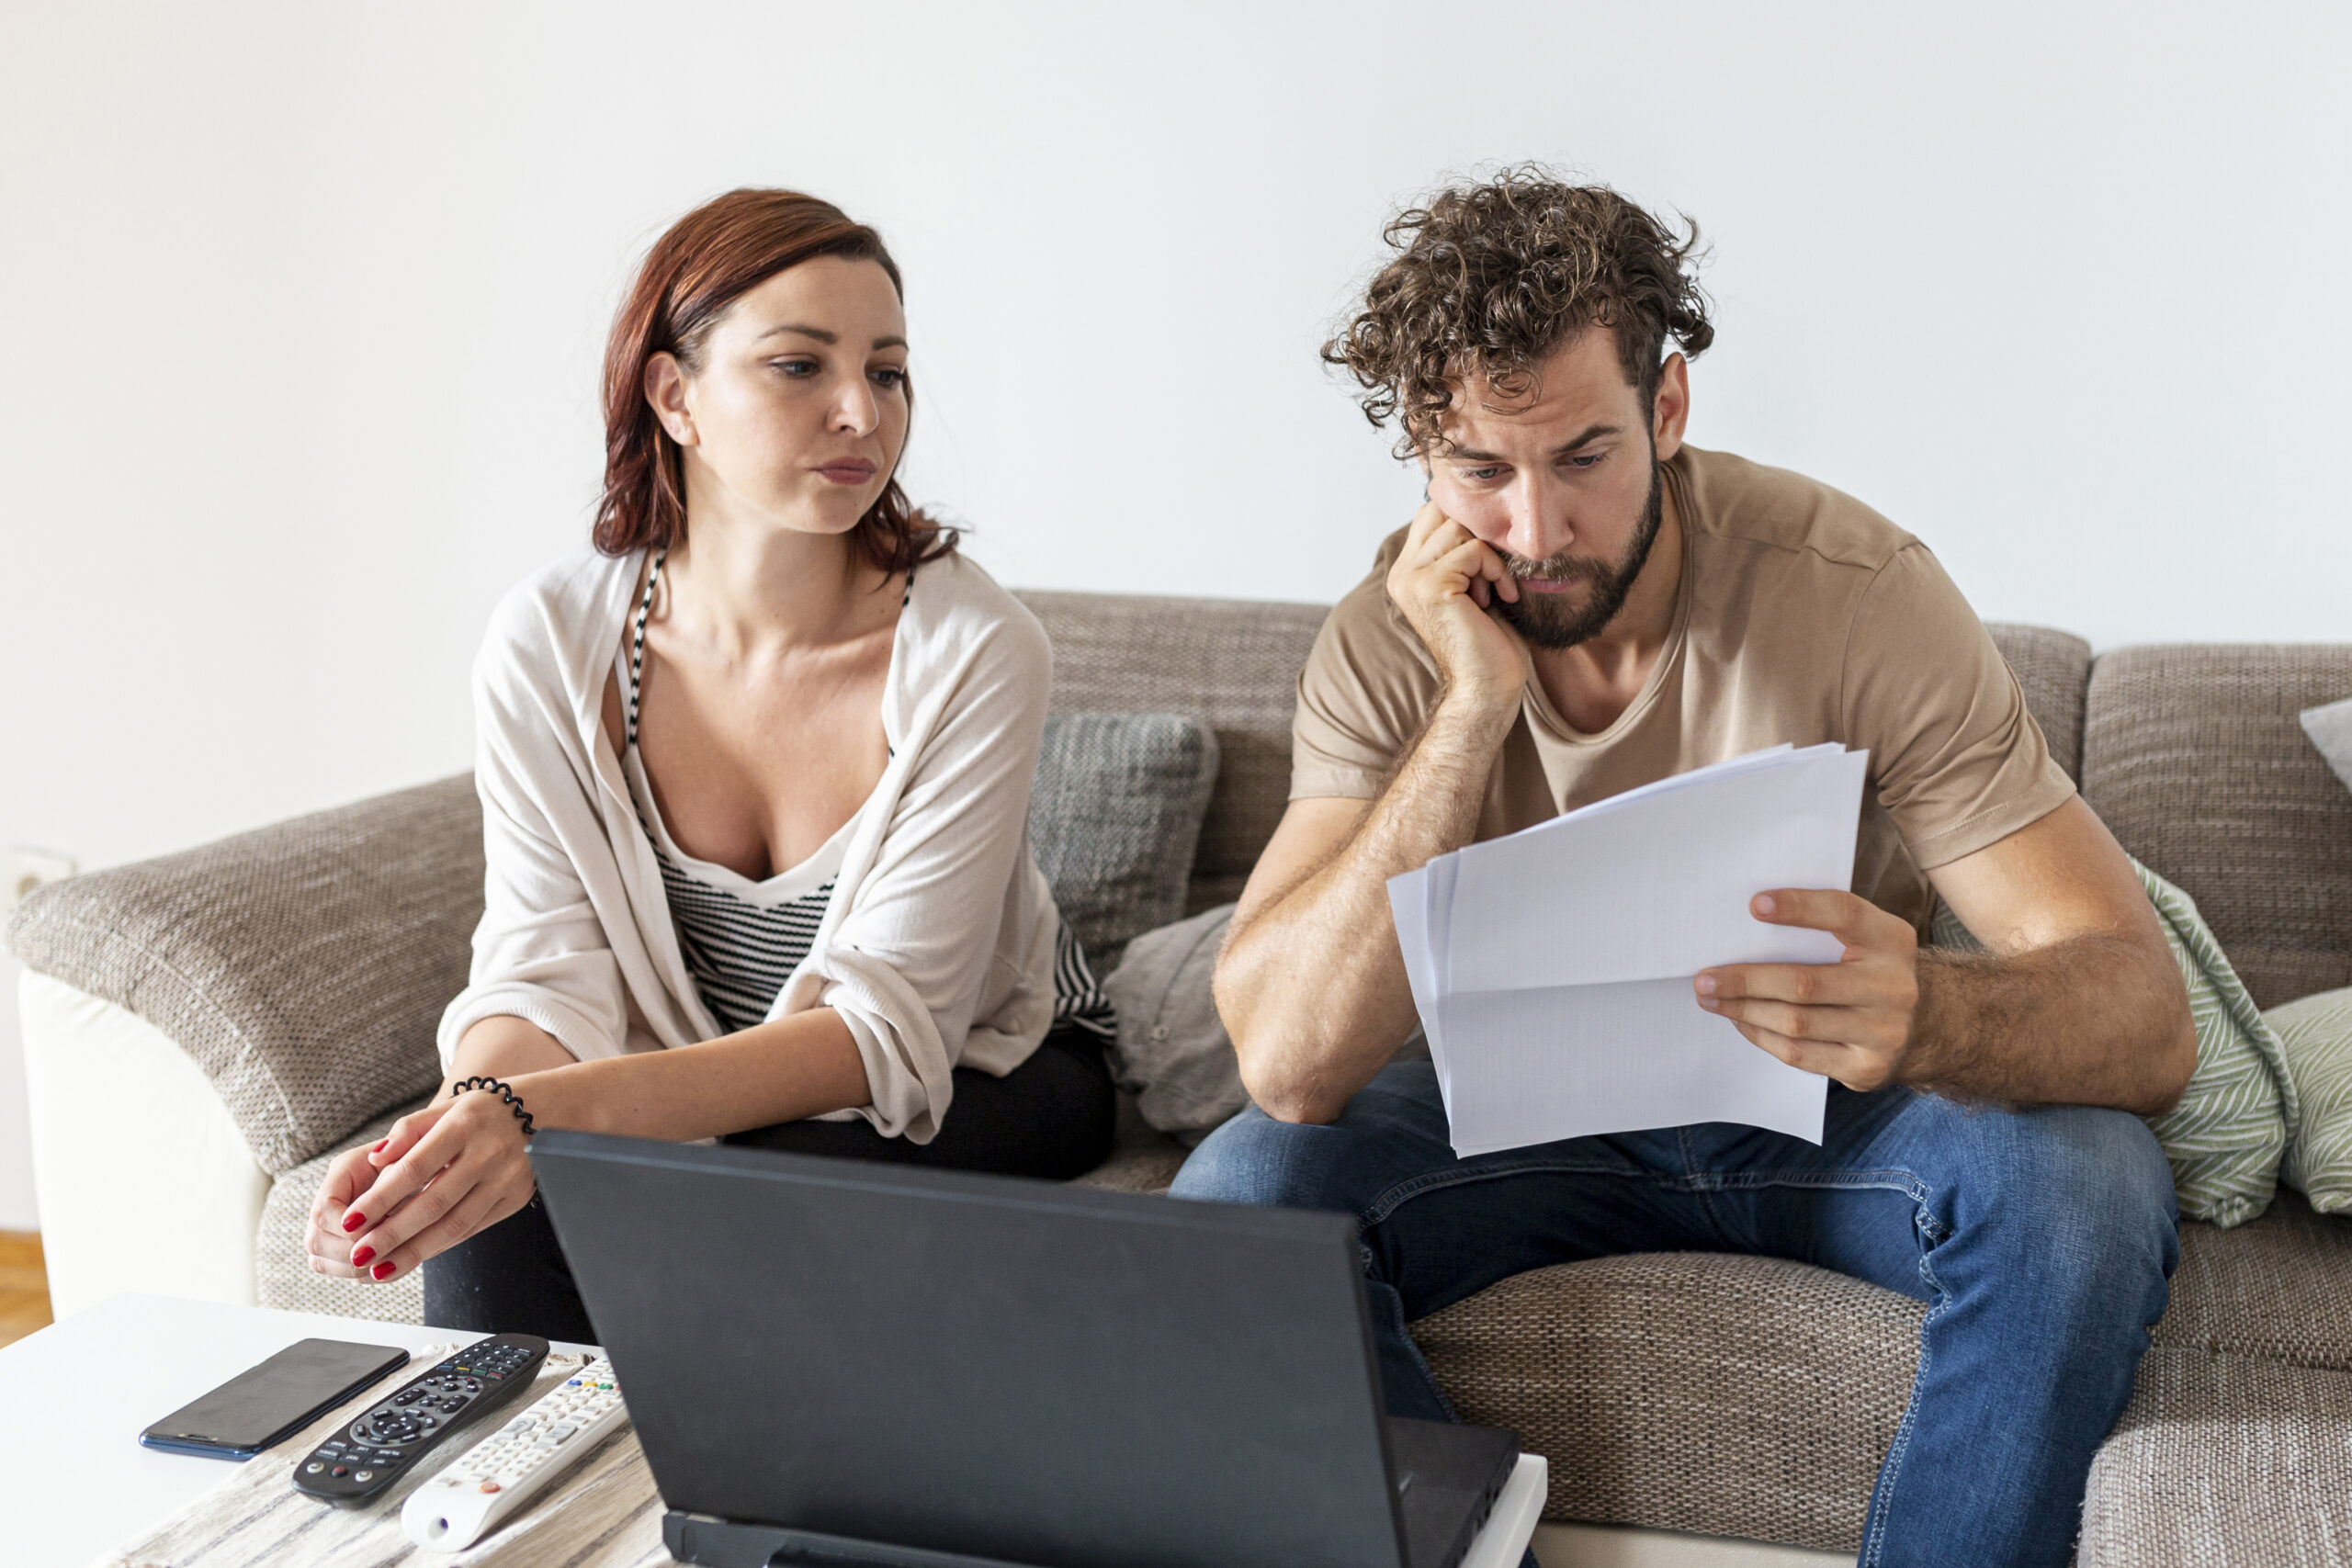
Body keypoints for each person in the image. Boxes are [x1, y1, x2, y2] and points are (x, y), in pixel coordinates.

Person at [1174, 169, 2195, 1568]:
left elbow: (2146, 1013)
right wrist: (1472, 707)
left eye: (1583, 456)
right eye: (1481, 470)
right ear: (1423, 455)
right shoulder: (1386, 636)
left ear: (1668, 409)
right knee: (1239, 1196)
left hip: (1826, 1115)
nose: (1532, 533)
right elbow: (1288, 1063)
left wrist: (1938, 1010)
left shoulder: (1854, 588)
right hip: (1507, 1124)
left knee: (2090, 1179)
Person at [303, 189, 1115, 1342]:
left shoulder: (974, 651)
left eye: (886, 372)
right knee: (503, 1187)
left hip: (990, 1070)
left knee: (704, 1171)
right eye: (800, 366)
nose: (860, 412)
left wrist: (533, 1116)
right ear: (674, 394)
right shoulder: (549, 642)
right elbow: (542, 969)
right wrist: (452, 1136)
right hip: (700, 1069)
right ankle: (494, 1501)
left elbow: (881, 1036)